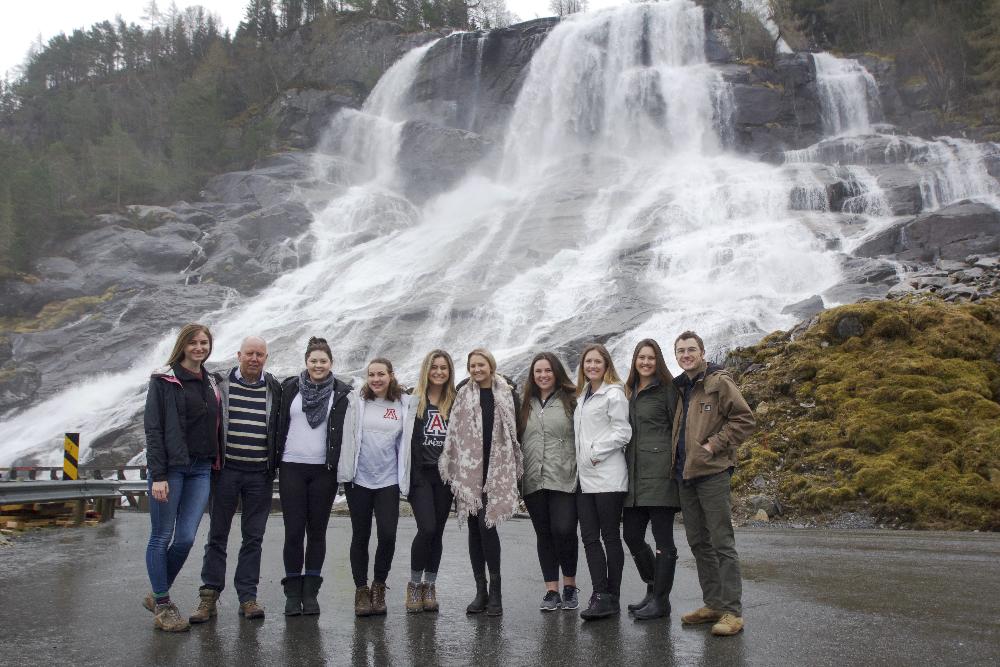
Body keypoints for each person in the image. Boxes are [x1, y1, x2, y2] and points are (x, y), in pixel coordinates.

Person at [188, 336, 282, 624]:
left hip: (260, 474)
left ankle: (248, 598)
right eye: (250, 353)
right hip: (226, 471)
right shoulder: (220, 385)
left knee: (253, 537)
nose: (255, 358)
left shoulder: (275, 388)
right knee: (217, 535)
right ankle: (208, 597)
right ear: (239, 354)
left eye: (260, 354)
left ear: (266, 357)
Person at [672, 331, 755, 636]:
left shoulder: (719, 382)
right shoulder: (682, 386)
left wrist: (714, 445)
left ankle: (733, 612)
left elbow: (744, 420)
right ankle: (714, 604)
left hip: (712, 473)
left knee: (721, 542)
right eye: (680, 351)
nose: (686, 354)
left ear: (702, 352)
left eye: (691, 349)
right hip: (686, 474)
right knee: (698, 542)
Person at [142, 323, 223, 632]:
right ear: (183, 345)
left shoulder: (212, 381)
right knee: (161, 535)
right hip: (171, 470)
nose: (199, 347)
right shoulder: (164, 380)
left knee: (186, 537)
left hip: (201, 468)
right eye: (193, 343)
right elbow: (154, 429)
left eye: (204, 342)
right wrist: (158, 474)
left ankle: (157, 593)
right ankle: (163, 605)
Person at [439, 348, 522, 618]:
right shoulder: (462, 395)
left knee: (488, 529)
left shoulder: (507, 394)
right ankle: (481, 591)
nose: (476, 369)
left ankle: (496, 592)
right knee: (474, 530)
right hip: (469, 473)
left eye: (481, 365)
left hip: (496, 471)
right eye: (472, 365)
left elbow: (515, 433)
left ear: (491, 365)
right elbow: (455, 433)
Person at [275, 337, 353, 616]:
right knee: (294, 532)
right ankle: (292, 593)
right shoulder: (289, 388)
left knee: (317, 532)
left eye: (323, 361)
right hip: (291, 467)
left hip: (324, 470)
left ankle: (311, 593)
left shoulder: (343, 393)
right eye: (313, 361)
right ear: (306, 362)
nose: (318, 365)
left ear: (331, 363)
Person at [338, 357, 415, 617]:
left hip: (388, 481)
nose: (376, 379)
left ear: (391, 375)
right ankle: (361, 590)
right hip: (358, 479)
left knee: (388, 535)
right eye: (371, 375)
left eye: (381, 374)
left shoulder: (403, 403)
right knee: (360, 535)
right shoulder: (356, 402)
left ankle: (379, 585)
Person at [622, 338, 680, 620]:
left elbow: (678, 429)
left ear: (658, 361)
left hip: (660, 474)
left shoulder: (667, 389)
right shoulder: (629, 390)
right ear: (635, 360)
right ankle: (652, 588)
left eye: (651, 358)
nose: (645, 362)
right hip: (632, 476)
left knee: (663, 539)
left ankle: (661, 600)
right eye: (641, 357)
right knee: (631, 535)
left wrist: (675, 467)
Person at [574, 343, 631, 621]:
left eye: (597, 362)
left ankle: (613, 596)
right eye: (588, 362)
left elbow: (623, 431)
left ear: (606, 365)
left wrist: (595, 453)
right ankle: (599, 594)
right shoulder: (583, 394)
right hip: (584, 479)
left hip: (607, 476)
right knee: (589, 538)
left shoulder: (614, 393)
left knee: (609, 537)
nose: (592, 366)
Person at [518, 352, 580, 612]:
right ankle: (551, 591)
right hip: (533, 479)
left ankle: (570, 585)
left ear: (556, 373)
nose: (543, 375)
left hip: (564, 476)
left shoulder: (572, 400)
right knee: (544, 534)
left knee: (564, 530)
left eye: (547, 371)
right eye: (538, 372)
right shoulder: (524, 404)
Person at [405, 350, 457, 613]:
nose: (439, 372)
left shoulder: (455, 402)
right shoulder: (413, 401)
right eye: (434, 367)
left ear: (450, 372)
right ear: (426, 370)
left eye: (444, 368)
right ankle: (414, 584)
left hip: (445, 477)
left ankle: (430, 585)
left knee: (437, 531)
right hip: (421, 475)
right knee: (426, 528)